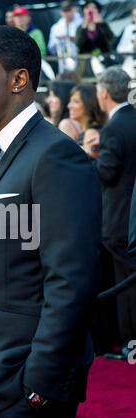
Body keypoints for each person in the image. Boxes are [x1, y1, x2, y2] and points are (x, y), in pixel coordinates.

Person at [0, 25, 102, 418]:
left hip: (23, 382)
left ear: (19, 79)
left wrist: (39, 382)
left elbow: (72, 280)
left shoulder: (56, 155)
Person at [95, 66, 136, 357]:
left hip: (120, 220)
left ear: (105, 93)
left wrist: (86, 159)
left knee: (126, 286)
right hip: (130, 218)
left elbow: (107, 174)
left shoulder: (112, 129)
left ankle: (129, 343)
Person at [48, 0, 82, 72]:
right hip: (64, 63)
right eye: (65, 11)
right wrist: (58, 40)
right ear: (61, 12)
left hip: (81, 60)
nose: (67, 13)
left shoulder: (82, 23)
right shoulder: (56, 28)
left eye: (69, 10)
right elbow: (51, 49)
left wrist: (72, 39)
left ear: (74, 9)